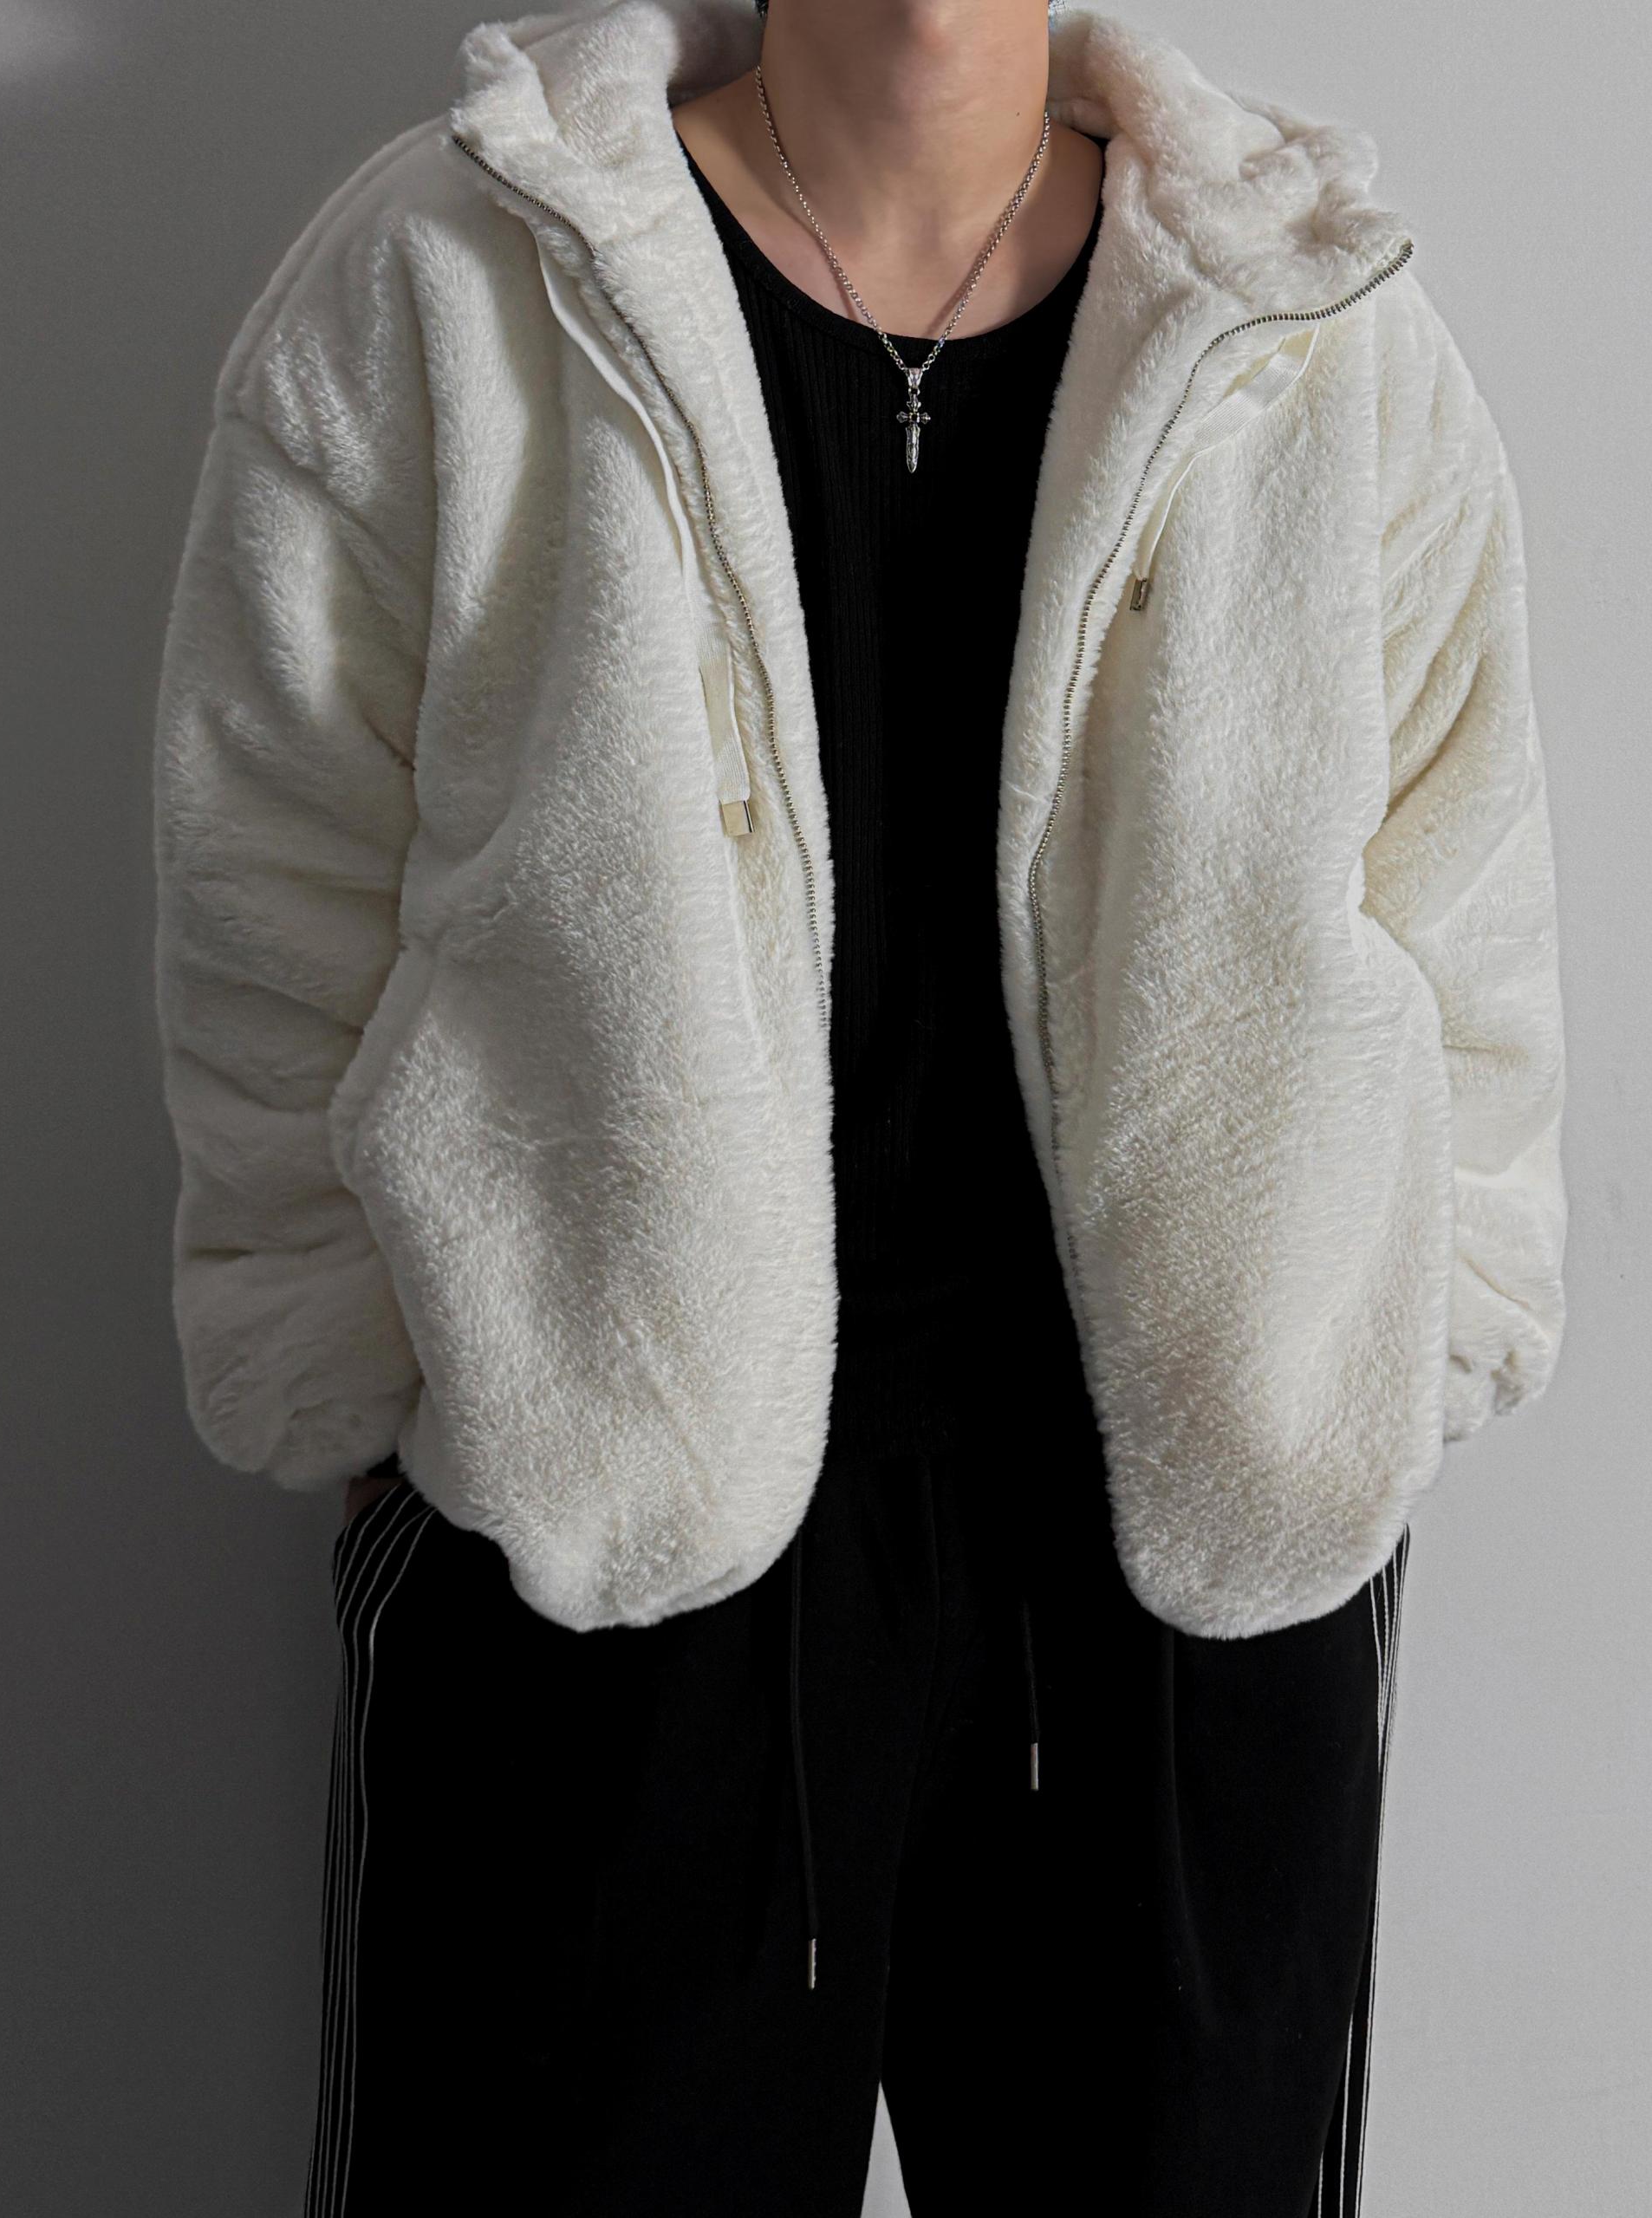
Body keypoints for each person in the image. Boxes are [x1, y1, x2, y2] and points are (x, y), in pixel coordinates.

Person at [148, 1, 1568, 2210]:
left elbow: (1467, 907)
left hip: (1182, 1576)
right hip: (604, 1531)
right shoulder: (459, 272)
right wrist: (365, 1379)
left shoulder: (1313, 319)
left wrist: (1402, 1356)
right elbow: (271, 871)